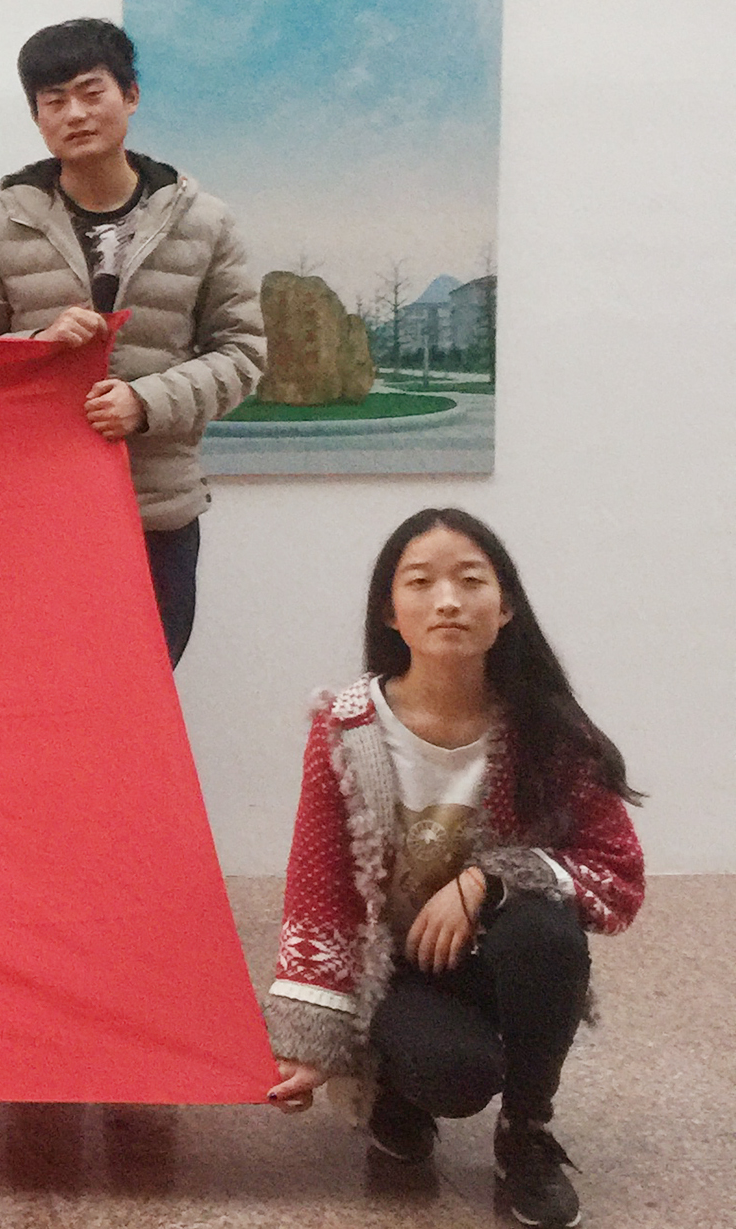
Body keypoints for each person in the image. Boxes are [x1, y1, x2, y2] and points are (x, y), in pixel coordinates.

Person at [263, 509, 643, 1229]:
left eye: (471, 581)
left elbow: (617, 875)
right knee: (456, 1076)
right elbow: (322, 887)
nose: (447, 601)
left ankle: (526, 1132)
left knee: (546, 927)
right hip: (399, 970)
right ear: (390, 610)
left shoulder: (550, 730)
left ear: (505, 607)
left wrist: (488, 879)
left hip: (499, 958)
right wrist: (310, 1046)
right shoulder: (345, 728)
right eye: (421, 582)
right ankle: (396, 1084)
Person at [0, 19, 263, 665]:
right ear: (37, 117)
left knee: (146, 686)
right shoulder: (1, 223)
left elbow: (242, 354)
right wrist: (38, 343)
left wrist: (145, 403)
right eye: (54, 100)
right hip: (34, 511)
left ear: (131, 95)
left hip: (157, 515)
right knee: (35, 688)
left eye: (91, 92)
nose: (75, 113)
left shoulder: (204, 222)